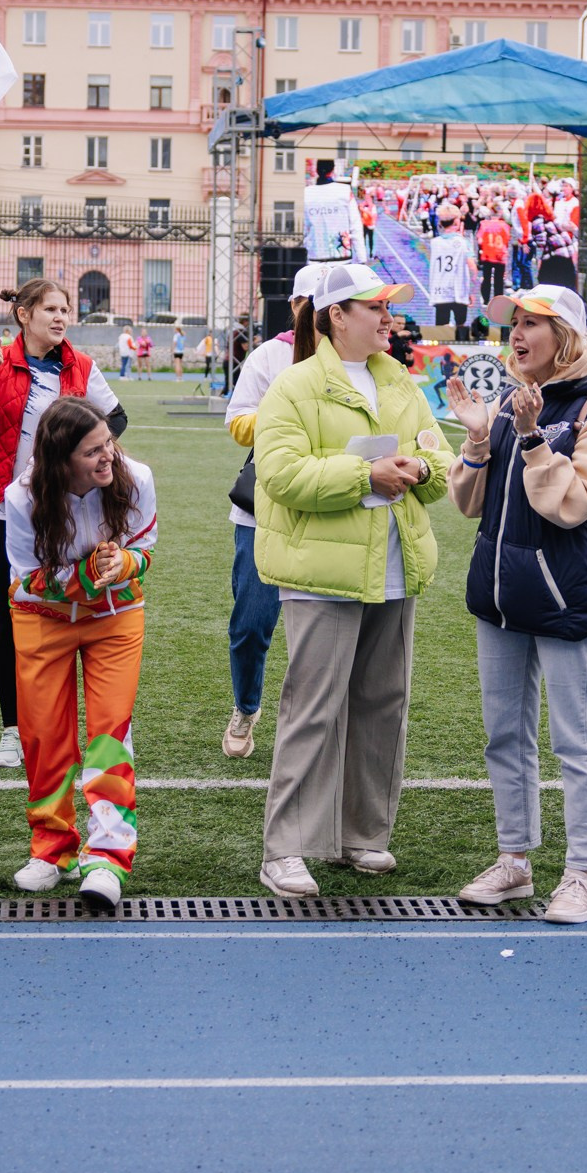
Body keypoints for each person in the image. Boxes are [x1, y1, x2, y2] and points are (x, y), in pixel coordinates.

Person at [252, 263, 454, 897]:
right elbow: (281, 473)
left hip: (395, 569)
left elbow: (442, 461)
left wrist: (419, 470)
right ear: (337, 316)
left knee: (382, 705)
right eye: (374, 307)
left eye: (388, 307)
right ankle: (285, 848)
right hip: (322, 575)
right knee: (312, 710)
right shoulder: (292, 386)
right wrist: (364, 476)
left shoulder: (403, 384)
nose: (387, 318)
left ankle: (361, 835)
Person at [447, 286, 587, 925]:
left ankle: (582, 873)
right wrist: (477, 441)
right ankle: (514, 861)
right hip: (501, 595)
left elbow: (575, 501)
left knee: (575, 739)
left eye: (532, 324)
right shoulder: (509, 401)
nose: (517, 335)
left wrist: (531, 440)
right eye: (514, 324)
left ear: (567, 337)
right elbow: (470, 505)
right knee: (504, 734)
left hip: (567, 596)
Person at [0, 278, 128, 771]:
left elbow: (116, 419)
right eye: (50, 309)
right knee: (14, 615)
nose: (60, 317)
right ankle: (13, 731)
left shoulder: (82, 366)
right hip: (9, 514)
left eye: (65, 309)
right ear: (24, 315)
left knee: (83, 609)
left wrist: (83, 451)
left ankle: (83, 727)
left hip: (75, 510)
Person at [4, 397, 159, 907]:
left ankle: (108, 858)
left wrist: (127, 565)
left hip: (115, 621)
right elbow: (25, 583)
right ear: (60, 458)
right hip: (42, 621)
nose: (107, 458)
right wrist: (89, 575)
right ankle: (52, 849)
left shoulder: (136, 477)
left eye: (107, 445)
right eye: (92, 452)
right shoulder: (23, 496)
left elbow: (146, 546)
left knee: (110, 734)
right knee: (45, 736)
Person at [221, 263, 323, 757]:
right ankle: (246, 706)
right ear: (296, 305)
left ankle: (308, 724)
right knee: (251, 625)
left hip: (328, 512)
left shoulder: (358, 359)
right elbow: (237, 422)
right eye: (309, 304)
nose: (315, 315)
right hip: (263, 511)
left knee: (322, 631)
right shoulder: (271, 354)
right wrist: (288, 412)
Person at [300, 157, 364, 262]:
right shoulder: (344, 191)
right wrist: (362, 258)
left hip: (315, 257)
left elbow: (303, 228)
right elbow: (355, 225)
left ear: (316, 170)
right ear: (333, 170)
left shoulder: (306, 193)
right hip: (342, 258)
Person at [425, 207, 476, 331]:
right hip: (459, 290)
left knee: (441, 331)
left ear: (440, 223)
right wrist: (472, 291)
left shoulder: (434, 243)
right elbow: (472, 268)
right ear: (457, 222)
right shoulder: (463, 243)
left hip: (440, 291)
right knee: (461, 329)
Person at [475, 209, 511, 304]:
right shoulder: (504, 225)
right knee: (499, 279)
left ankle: (485, 300)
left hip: (487, 254)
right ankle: (498, 300)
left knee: (486, 278)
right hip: (500, 255)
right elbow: (507, 238)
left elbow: (480, 240)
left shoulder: (484, 224)